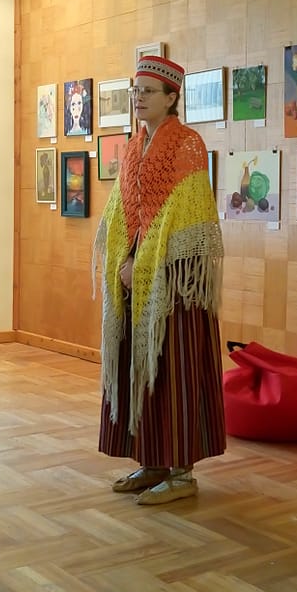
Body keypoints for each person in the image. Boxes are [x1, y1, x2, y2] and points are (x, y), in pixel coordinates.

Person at [93, 55, 226, 505]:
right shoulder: (133, 147)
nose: (138, 98)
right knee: (139, 365)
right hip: (137, 277)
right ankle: (151, 461)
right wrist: (124, 260)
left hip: (176, 281)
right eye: (136, 91)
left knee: (174, 370)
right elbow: (123, 212)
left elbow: (183, 214)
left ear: (171, 98)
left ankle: (182, 472)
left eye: (148, 92)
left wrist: (146, 263)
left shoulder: (187, 144)